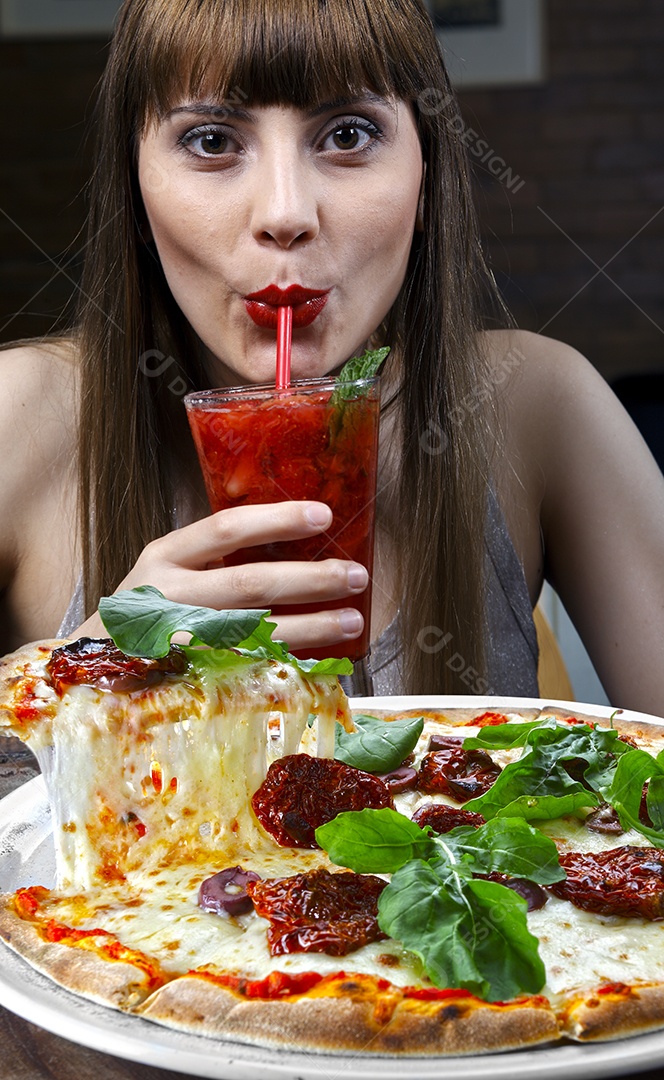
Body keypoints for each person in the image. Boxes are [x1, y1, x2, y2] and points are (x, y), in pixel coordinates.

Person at [2, 0, 664, 713]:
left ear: (425, 176)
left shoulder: (539, 406)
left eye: (347, 133)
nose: (285, 213)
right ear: (134, 188)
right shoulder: (18, 416)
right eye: (212, 141)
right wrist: (72, 677)